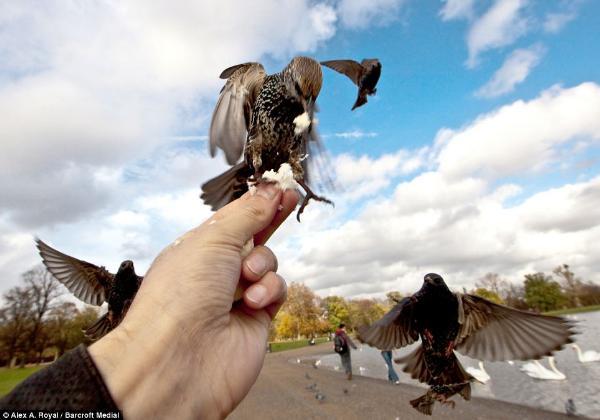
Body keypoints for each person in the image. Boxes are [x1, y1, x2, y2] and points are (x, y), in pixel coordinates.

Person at [1, 183, 299, 419]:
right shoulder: (102, 277)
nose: (127, 268)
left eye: (129, 267)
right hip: (114, 316)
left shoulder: (143, 283)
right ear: (120, 271)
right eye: (125, 267)